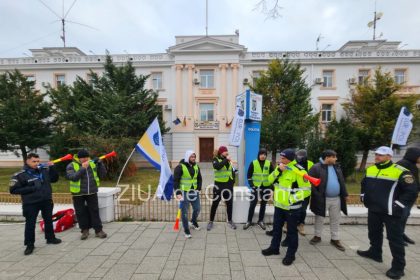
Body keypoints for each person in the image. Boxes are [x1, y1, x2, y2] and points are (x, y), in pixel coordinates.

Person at [357, 146, 417, 280]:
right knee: (373, 232)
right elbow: (364, 183)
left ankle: (398, 267)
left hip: (391, 212)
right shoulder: (371, 169)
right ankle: (375, 252)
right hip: (373, 209)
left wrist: (398, 205)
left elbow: (411, 191)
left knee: (395, 239)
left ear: (389, 157)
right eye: (377, 154)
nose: (377, 157)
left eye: (381, 155)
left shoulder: (401, 171)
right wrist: (363, 196)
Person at [261, 149, 309, 266]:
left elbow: (307, 191)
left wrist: (291, 200)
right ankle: (274, 248)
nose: (281, 160)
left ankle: (290, 255)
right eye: (281, 158)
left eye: (283, 158)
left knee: (292, 232)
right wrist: (278, 170)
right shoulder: (280, 168)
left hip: (292, 208)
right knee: (276, 229)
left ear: (290, 158)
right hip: (278, 206)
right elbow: (268, 181)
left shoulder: (299, 170)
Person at [9, 153, 62, 255]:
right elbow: (13, 190)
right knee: (30, 224)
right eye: (34, 161)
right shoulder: (20, 175)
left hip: (46, 200)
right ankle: (29, 245)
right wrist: (32, 188)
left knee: (48, 220)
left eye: (38, 161)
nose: (36, 163)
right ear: (27, 161)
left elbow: (54, 179)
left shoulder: (43, 170)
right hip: (31, 203)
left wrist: (52, 168)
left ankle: (50, 238)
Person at [308, 150, 348, 251]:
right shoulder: (316, 167)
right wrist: (317, 195)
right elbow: (310, 182)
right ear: (327, 157)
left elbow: (342, 181)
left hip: (336, 199)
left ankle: (335, 239)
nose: (336, 159)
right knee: (319, 218)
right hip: (322, 199)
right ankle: (317, 236)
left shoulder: (337, 167)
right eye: (334, 157)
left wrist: (345, 194)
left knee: (335, 219)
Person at [66, 149, 107, 240]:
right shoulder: (71, 165)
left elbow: (103, 175)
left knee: (95, 211)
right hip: (78, 193)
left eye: (87, 157)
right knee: (81, 212)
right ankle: (84, 230)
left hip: (91, 191)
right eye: (83, 158)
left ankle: (98, 230)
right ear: (78, 158)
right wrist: (83, 168)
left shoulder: (92, 164)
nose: (85, 159)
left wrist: (100, 164)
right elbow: (73, 177)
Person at [174, 150, 202, 238]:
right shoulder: (180, 167)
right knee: (184, 212)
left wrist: (198, 188)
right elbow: (176, 180)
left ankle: (193, 221)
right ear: (187, 157)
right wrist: (178, 192)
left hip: (194, 192)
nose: (193, 158)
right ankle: (186, 230)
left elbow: (199, 178)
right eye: (192, 157)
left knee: (197, 208)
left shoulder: (196, 166)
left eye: (194, 157)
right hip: (184, 192)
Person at [243, 148, 274, 230]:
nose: (263, 156)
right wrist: (252, 185)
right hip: (255, 187)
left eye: (265, 154)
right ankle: (249, 221)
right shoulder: (253, 163)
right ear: (258, 155)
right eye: (261, 154)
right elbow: (249, 176)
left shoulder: (269, 163)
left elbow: (272, 176)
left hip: (266, 187)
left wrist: (271, 187)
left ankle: (260, 221)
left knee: (263, 204)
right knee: (253, 203)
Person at [207, 146, 237, 231]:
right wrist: (226, 160)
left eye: (227, 151)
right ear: (221, 152)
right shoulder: (215, 159)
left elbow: (232, 171)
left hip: (228, 186)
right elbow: (217, 167)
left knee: (229, 204)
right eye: (225, 151)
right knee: (215, 204)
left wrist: (233, 181)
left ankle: (230, 221)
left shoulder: (229, 161)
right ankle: (211, 221)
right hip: (219, 186)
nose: (227, 152)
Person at [396, 147, 420, 246]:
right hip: (403, 197)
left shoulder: (412, 165)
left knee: (405, 216)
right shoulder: (403, 164)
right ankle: (397, 237)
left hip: (410, 197)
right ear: (414, 156)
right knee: (401, 217)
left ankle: (401, 234)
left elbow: (414, 181)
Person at [294, 149, 313, 235]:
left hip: (305, 192)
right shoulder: (293, 163)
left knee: (303, 210)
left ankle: (301, 225)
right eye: (298, 156)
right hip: (294, 191)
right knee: (291, 209)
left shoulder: (310, 164)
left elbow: (313, 177)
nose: (300, 158)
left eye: (302, 156)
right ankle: (287, 223)